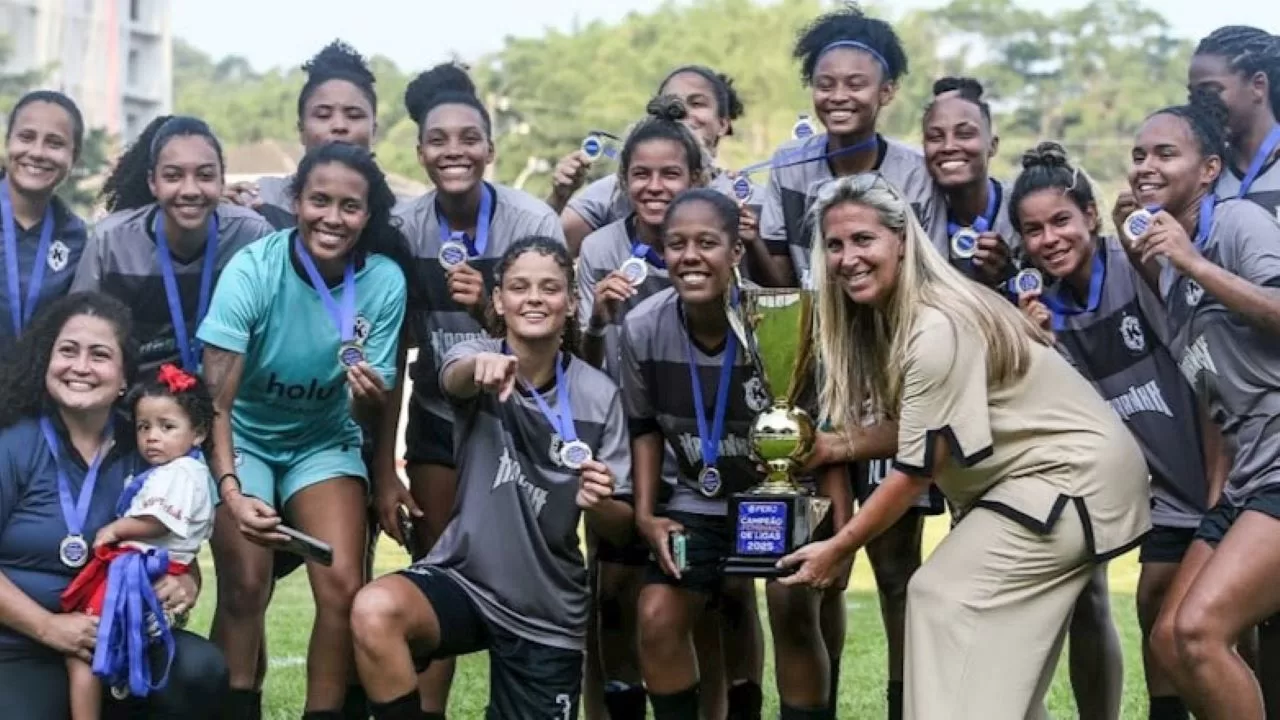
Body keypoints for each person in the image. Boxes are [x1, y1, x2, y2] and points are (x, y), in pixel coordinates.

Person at [776, 172, 1150, 719]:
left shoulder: (934, 329)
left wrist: (841, 547)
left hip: (1071, 483)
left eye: (863, 239)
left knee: (940, 596)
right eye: (834, 244)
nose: (847, 257)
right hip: (1038, 486)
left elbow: (918, 470)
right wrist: (834, 447)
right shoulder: (902, 317)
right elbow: (931, 426)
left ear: (901, 240)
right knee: (989, 656)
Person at [350, 236, 633, 720]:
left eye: (550, 288)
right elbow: (453, 375)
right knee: (375, 610)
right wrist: (479, 367)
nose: (535, 298)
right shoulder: (476, 358)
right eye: (519, 287)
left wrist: (599, 501)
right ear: (498, 300)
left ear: (571, 303)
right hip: (465, 579)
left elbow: (621, 524)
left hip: (546, 608)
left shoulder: (598, 394)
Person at [757, 9, 941, 715]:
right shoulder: (786, 163)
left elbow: (918, 273)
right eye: (825, 83)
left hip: (891, 370)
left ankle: (907, 702)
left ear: (885, 92)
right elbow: (779, 272)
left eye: (855, 84)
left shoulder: (912, 174)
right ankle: (818, 704)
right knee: (818, 557)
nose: (839, 95)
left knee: (897, 569)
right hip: (811, 376)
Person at [376, 62, 565, 717]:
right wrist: (383, 471)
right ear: (419, 151)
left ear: (491, 148)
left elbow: (556, 334)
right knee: (436, 568)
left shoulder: (530, 218)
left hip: (519, 424)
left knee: (523, 567)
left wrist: (491, 313)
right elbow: (393, 352)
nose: (453, 150)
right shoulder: (401, 228)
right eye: (438, 139)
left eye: (468, 137)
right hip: (435, 417)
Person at [198, 141, 411, 720]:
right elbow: (216, 401)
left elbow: (376, 408)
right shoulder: (254, 270)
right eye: (319, 200)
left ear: (367, 216)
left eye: (349, 206)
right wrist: (232, 492)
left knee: (342, 587)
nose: (332, 218)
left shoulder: (385, 281)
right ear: (296, 201)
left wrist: (369, 407)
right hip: (245, 435)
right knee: (244, 584)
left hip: (322, 440)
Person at [1013, 142, 1221, 720]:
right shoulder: (1040, 308)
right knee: (1156, 603)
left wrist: (1216, 489)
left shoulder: (1136, 264)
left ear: (1090, 215)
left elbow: (1206, 362)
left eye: (1061, 221)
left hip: (1210, 471)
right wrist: (1039, 349)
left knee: (1208, 624)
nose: (1050, 239)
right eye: (1033, 231)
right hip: (1153, 493)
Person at [576, 102, 764, 720]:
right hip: (655, 470)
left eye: (671, 174)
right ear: (622, 180)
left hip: (746, 482)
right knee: (625, 590)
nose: (655, 187)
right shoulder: (604, 255)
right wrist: (650, 511)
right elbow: (638, 418)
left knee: (739, 598)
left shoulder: (769, 313)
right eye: (641, 174)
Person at [621, 188, 835, 719]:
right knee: (656, 613)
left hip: (780, 504)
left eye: (707, 243)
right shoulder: (642, 327)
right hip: (697, 505)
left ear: (736, 252)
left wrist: (843, 535)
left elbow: (826, 438)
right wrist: (647, 516)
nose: (690, 256)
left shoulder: (783, 324)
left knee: (790, 606)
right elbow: (643, 427)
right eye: (676, 244)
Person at [0, 291, 227, 717]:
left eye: (99, 354)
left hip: (123, 640)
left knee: (201, 670)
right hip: (18, 646)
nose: (81, 367)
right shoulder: (13, 441)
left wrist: (188, 583)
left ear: (124, 376)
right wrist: (48, 627)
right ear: (46, 361)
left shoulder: (149, 443)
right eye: (68, 351)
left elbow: (176, 539)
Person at [1130, 90, 1280, 720]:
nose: (1145, 166)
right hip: (1245, 478)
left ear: (1209, 170)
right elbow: (1211, 397)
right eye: (1138, 155)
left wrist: (1192, 262)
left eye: (1166, 153)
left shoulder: (1241, 222)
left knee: (1198, 632)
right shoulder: (1166, 269)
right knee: (1169, 641)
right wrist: (1219, 498)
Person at [62, 362, 216, 720]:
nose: (152, 437)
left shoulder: (180, 472)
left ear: (199, 433)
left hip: (140, 572)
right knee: (112, 641)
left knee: (82, 647)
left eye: (167, 427)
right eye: (144, 427)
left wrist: (116, 530)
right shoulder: (176, 470)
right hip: (147, 571)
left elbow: (156, 519)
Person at [71, 115, 274, 375]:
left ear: (222, 181)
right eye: (173, 176)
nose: (190, 189)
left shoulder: (252, 235)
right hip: (132, 397)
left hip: (223, 395)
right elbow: (78, 328)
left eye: (204, 175)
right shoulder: (111, 241)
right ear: (152, 182)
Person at [551, 66, 785, 288]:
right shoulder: (614, 192)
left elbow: (781, 288)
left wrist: (753, 242)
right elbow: (551, 248)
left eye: (697, 103)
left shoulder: (753, 200)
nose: (683, 112)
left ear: (723, 123)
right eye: (673, 102)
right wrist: (559, 196)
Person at [226, 40, 379, 230]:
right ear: (301, 130)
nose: (339, 125)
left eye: (354, 115)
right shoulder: (260, 200)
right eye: (323, 115)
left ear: (374, 130)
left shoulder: (402, 218)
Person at [1, 90, 89, 348]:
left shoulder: (76, 237)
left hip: (35, 385)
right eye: (26, 137)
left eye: (55, 143)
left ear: (74, 156)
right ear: (8, 142)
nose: (37, 152)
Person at [1190, 27, 1280, 215]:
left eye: (1211, 91)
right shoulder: (1204, 174)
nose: (1200, 104)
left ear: (1258, 86)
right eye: (1194, 94)